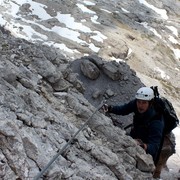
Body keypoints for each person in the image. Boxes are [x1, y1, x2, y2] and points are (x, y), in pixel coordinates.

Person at [102, 86, 174, 178]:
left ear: (150, 103)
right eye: (139, 102)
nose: (140, 105)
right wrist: (110, 108)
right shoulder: (136, 104)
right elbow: (124, 109)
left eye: (144, 103)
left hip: (159, 142)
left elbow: (155, 146)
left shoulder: (157, 122)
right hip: (139, 134)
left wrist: (143, 146)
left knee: (155, 167)